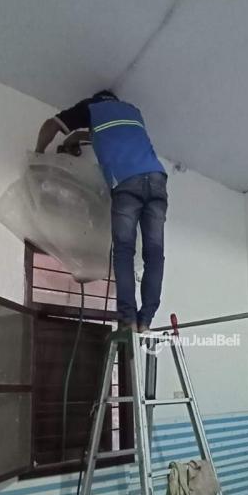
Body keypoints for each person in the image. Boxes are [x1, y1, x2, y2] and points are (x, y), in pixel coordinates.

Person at [35, 91, 167, 333]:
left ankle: (128, 320)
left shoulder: (92, 108)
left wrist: (38, 155)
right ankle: (145, 320)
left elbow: (51, 125)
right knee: (155, 254)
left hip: (127, 182)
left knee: (124, 252)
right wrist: (75, 140)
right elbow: (101, 135)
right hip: (157, 180)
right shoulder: (133, 111)